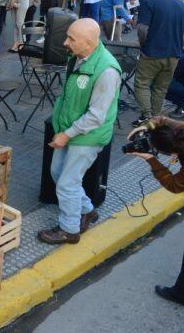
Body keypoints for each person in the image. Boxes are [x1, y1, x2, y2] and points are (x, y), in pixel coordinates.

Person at [38, 19, 121, 244]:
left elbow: (96, 116)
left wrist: (67, 134)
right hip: (69, 130)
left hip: (87, 135)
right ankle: (87, 210)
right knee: (57, 173)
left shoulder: (107, 71)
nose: (65, 43)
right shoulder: (79, 57)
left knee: (67, 182)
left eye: (71, 39)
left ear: (89, 42)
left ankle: (69, 230)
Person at [126, 117, 184, 308]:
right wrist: (146, 126)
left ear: (173, 152)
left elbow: (174, 185)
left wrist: (152, 160)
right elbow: (161, 119)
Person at [134, 0, 184, 126]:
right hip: (174, 55)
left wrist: (145, 45)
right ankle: (155, 118)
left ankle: (148, 117)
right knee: (161, 88)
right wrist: (177, 42)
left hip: (151, 53)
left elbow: (142, 29)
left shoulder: (150, 3)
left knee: (142, 84)